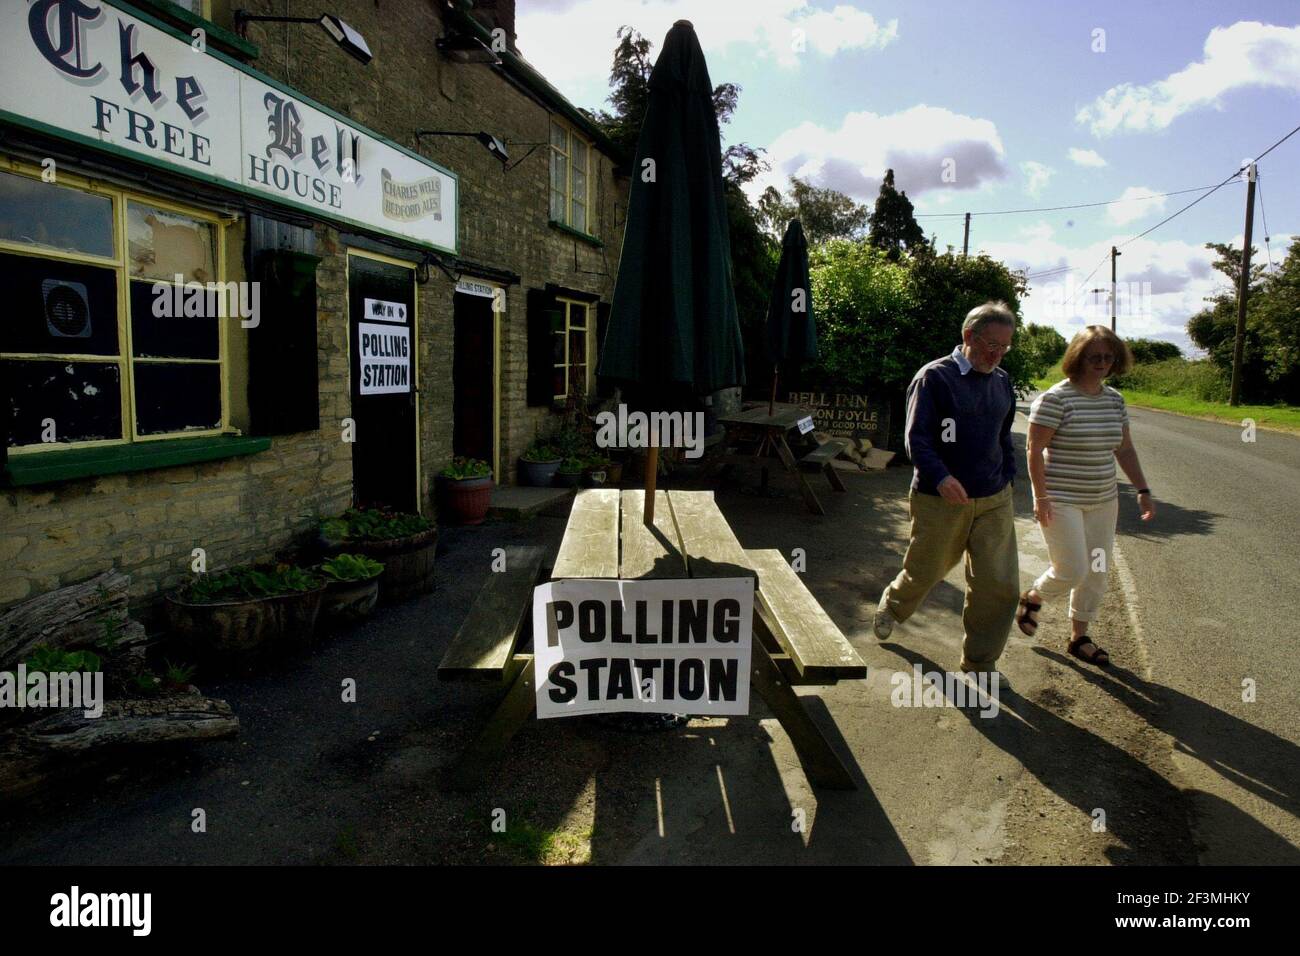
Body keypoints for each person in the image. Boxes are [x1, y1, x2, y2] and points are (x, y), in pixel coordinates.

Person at [874, 302, 1020, 683]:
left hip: (994, 498)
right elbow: (916, 439)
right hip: (940, 499)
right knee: (926, 572)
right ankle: (892, 605)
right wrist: (940, 477)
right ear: (968, 336)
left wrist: (1009, 476)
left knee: (998, 584)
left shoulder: (1002, 381)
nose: (997, 354)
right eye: (991, 345)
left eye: (1005, 347)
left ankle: (980, 662)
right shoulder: (934, 378)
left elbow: (1003, 437)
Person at [1018, 325, 1156, 666]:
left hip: (1103, 500)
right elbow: (1034, 450)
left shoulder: (1114, 400)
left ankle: (1079, 637)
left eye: (1109, 357)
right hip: (1061, 498)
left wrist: (1142, 489)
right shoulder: (1055, 399)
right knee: (1071, 569)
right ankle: (1034, 595)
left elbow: (1124, 450)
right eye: (1095, 356)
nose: (1102, 363)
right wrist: (1041, 497)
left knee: (1096, 569)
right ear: (1078, 357)